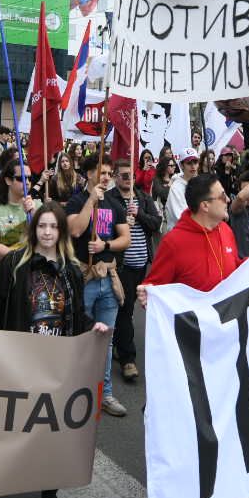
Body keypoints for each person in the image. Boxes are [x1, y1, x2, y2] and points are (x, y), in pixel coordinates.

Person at [139, 172, 249, 498]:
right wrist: (148, 296)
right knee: (202, 430)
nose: (230, 200)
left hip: (228, 350)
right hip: (193, 356)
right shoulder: (175, 242)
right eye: (222, 196)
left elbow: (232, 278)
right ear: (204, 205)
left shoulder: (226, 232)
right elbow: (157, 292)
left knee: (238, 424)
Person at [0, 202, 112, 498]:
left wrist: (92, 326)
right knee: (16, 422)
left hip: (57, 364)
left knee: (52, 432)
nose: (47, 233)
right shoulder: (14, 263)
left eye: (53, 227)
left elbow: (78, 314)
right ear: (33, 230)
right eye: (41, 227)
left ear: (61, 232)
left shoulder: (71, 270)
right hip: (22, 359)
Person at [66, 156, 130, 416]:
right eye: (101, 172)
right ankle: (73, 391)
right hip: (85, 279)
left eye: (108, 172)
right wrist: (91, 201)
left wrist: (105, 246)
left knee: (106, 340)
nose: (106, 177)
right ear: (89, 174)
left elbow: (124, 238)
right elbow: (75, 230)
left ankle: (105, 393)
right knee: (80, 338)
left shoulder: (115, 203)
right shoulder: (77, 200)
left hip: (108, 279)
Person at [105, 156, 160, 387]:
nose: (128, 179)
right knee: (125, 309)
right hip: (122, 265)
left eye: (131, 176)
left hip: (142, 264)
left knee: (125, 309)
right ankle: (128, 359)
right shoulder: (109, 199)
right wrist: (122, 224)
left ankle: (118, 343)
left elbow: (156, 223)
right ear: (116, 177)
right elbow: (103, 229)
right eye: (124, 176)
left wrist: (139, 216)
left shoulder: (144, 198)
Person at [0, 161, 35, 293]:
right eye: (21, 178)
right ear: (8, 180)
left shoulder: (36, 206)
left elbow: (46, 240)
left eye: (29, 178)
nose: (26, 182)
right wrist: (26, 262)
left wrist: (34, 215)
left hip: (26, 284)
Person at [162, 148, 201, 231]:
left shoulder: (201, 184)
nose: (193, 166)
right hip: (180, 235)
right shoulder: (176, 188)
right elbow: (180, 217)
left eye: (195, 162)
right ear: (181, 166)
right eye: (189, 163)